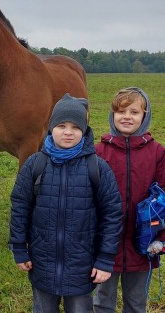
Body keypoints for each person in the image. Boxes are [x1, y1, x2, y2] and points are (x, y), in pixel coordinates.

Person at [9, 93, 122, 313]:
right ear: (51, 127)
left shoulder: (97, 168)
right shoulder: (35, 164)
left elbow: (112, 214)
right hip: (42, 263)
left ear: (84, 130)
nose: (68, 132)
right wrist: (19, 248)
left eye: (75, 127)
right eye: (61, 125)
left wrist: (105, 258)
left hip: (82, 266)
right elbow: (20, 208)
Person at [93, 87, 165, 313]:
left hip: (143, 242)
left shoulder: (157, 151)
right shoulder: (99, 151)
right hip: (106, 243)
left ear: (145, 115)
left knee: (136, 302)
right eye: (121, 111)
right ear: (112, 115)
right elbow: (88, 196)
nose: (127, 117)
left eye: (134, 112)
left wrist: (164, 236)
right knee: (102, 300)